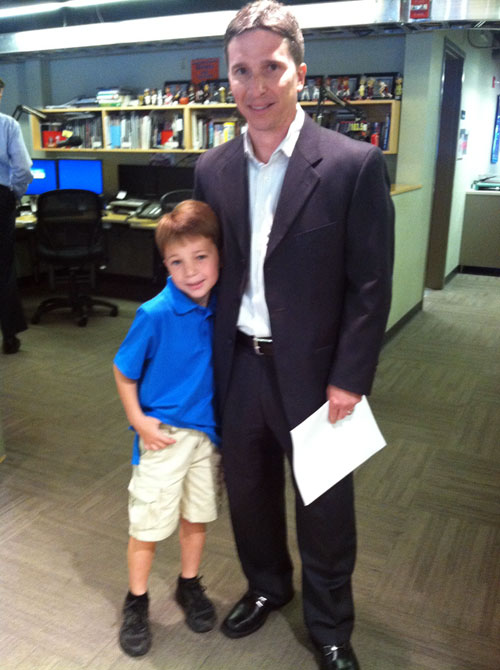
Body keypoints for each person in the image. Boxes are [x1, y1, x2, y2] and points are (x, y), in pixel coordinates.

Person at [193, 2, 394, 669]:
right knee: (249, 495)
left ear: (300, 73)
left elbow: (370, 285)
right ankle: (267, 586)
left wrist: (351, 378)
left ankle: (331, 625)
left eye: (271, 68)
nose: (255, 87)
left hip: (318, 375)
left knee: (325, 507)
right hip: (238, 365)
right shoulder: (212, 169)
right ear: (228, 78)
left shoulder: (352, 165)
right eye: (241, 71)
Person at [113, 200, 221, 657]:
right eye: (177, 262)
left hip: (207, 436)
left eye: (201, 257)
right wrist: (139, 421)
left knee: (197, 515)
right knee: (149, 524)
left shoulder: (225, 306)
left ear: (219, 255)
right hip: (163, 436)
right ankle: (136, 600)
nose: (190, 271)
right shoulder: (155, 313)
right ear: (165, 265)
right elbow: (123, 371)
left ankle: (189, 583)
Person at [0, 78, 33, 354]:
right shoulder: (7, 125)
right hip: (0, 197)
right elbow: (22, 168)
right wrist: (15, 195)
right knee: (4, 268)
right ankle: (9, 337)